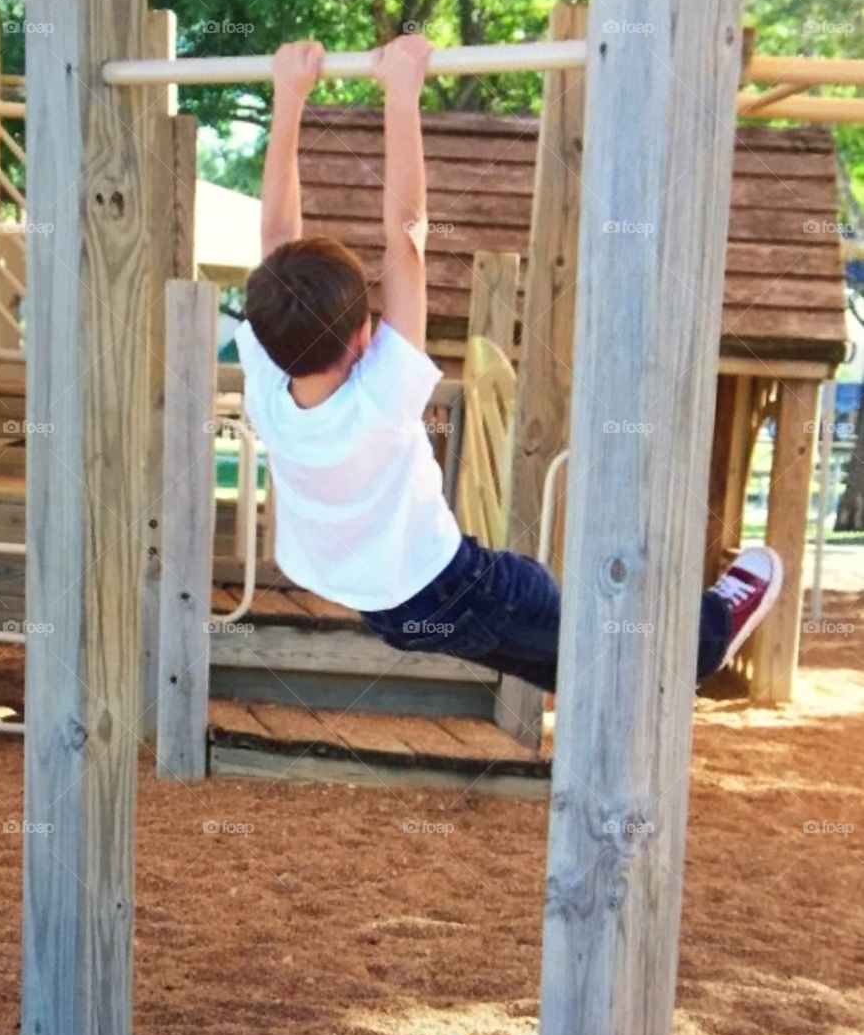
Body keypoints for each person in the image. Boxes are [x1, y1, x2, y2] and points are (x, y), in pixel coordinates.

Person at [234, 35, 783, 695]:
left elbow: (285, 242)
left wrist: (289, 97)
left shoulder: (269, 384)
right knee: (563, 616)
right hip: (447, 589)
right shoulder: (377, 399)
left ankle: (631, 680)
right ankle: (706, 634)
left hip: (378, 601)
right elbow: (401, 234)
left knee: (574, 664)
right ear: (362, 334)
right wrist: (396, 97)